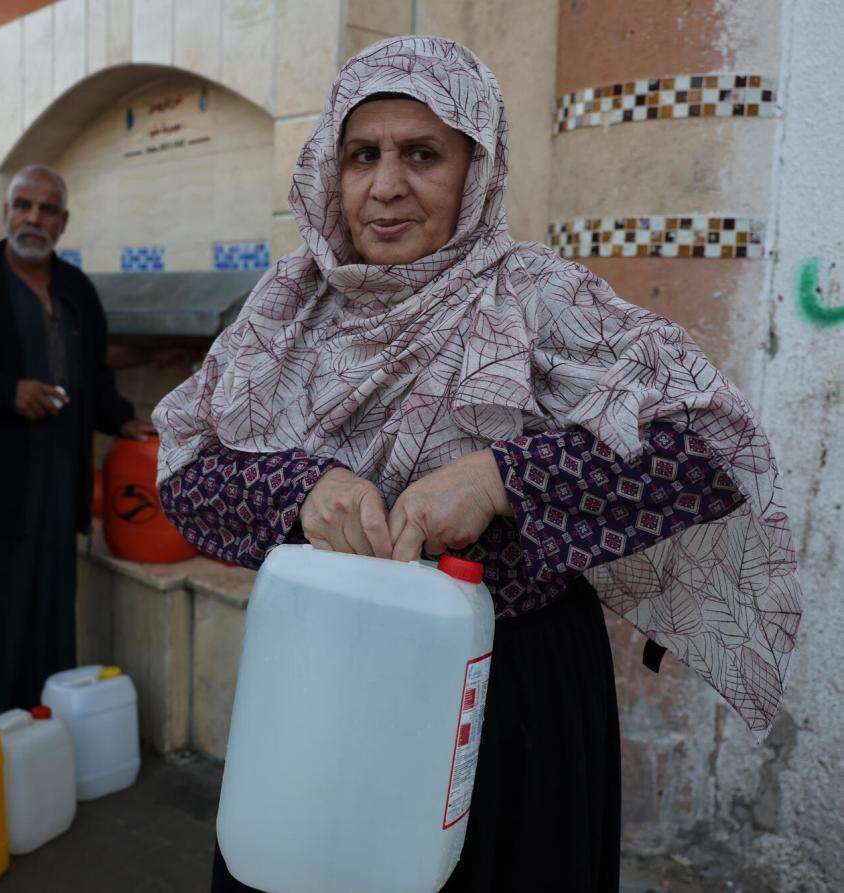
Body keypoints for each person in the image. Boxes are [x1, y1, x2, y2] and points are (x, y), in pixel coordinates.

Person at [153, 37, 802, 891]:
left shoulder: (539, 298)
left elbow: (715, 448)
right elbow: (185, 477)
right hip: (317, 685)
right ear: (329, 172)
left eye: (422, 153)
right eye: (361, 155)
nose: (385, 186)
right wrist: (299, 489)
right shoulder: (287, 310)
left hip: (502, 703)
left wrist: (505, 478)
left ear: (477, 168)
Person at [0, 164, 155, 718]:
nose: (33, 218)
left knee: (42, 626)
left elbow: (92, 376)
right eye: (23, 205)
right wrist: (6, 393)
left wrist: (121, 420)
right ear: (6, 213)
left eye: (47, 209)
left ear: (62, 223)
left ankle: (35, 740)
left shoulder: (77, 292)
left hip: (51, 495)